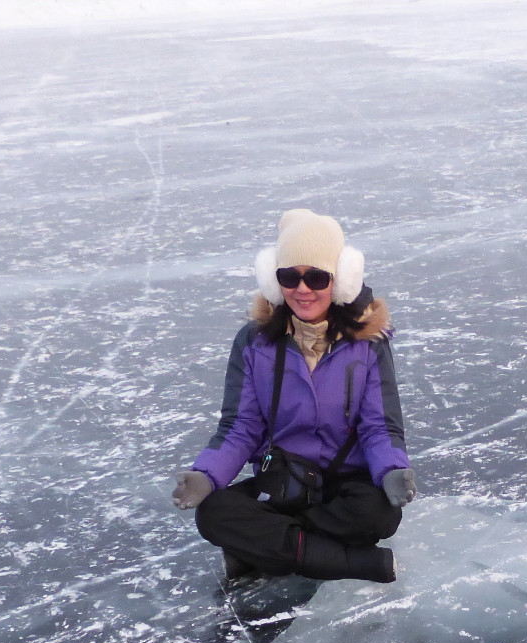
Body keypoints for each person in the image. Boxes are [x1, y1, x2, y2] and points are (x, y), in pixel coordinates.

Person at [172, 209, 415, 584]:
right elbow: (241, 426)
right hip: (283, 481)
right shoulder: (254, 342)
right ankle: (357, 563)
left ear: (340, 280)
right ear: (275, 280)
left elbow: (380, 425)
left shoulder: (368, 345)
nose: (303, 289)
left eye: (316, 277)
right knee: (214, 514)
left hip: (345, 482)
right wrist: (206, 475)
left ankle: (262, 552)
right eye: (290, 276)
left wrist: (391, 470)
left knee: (379, 514)